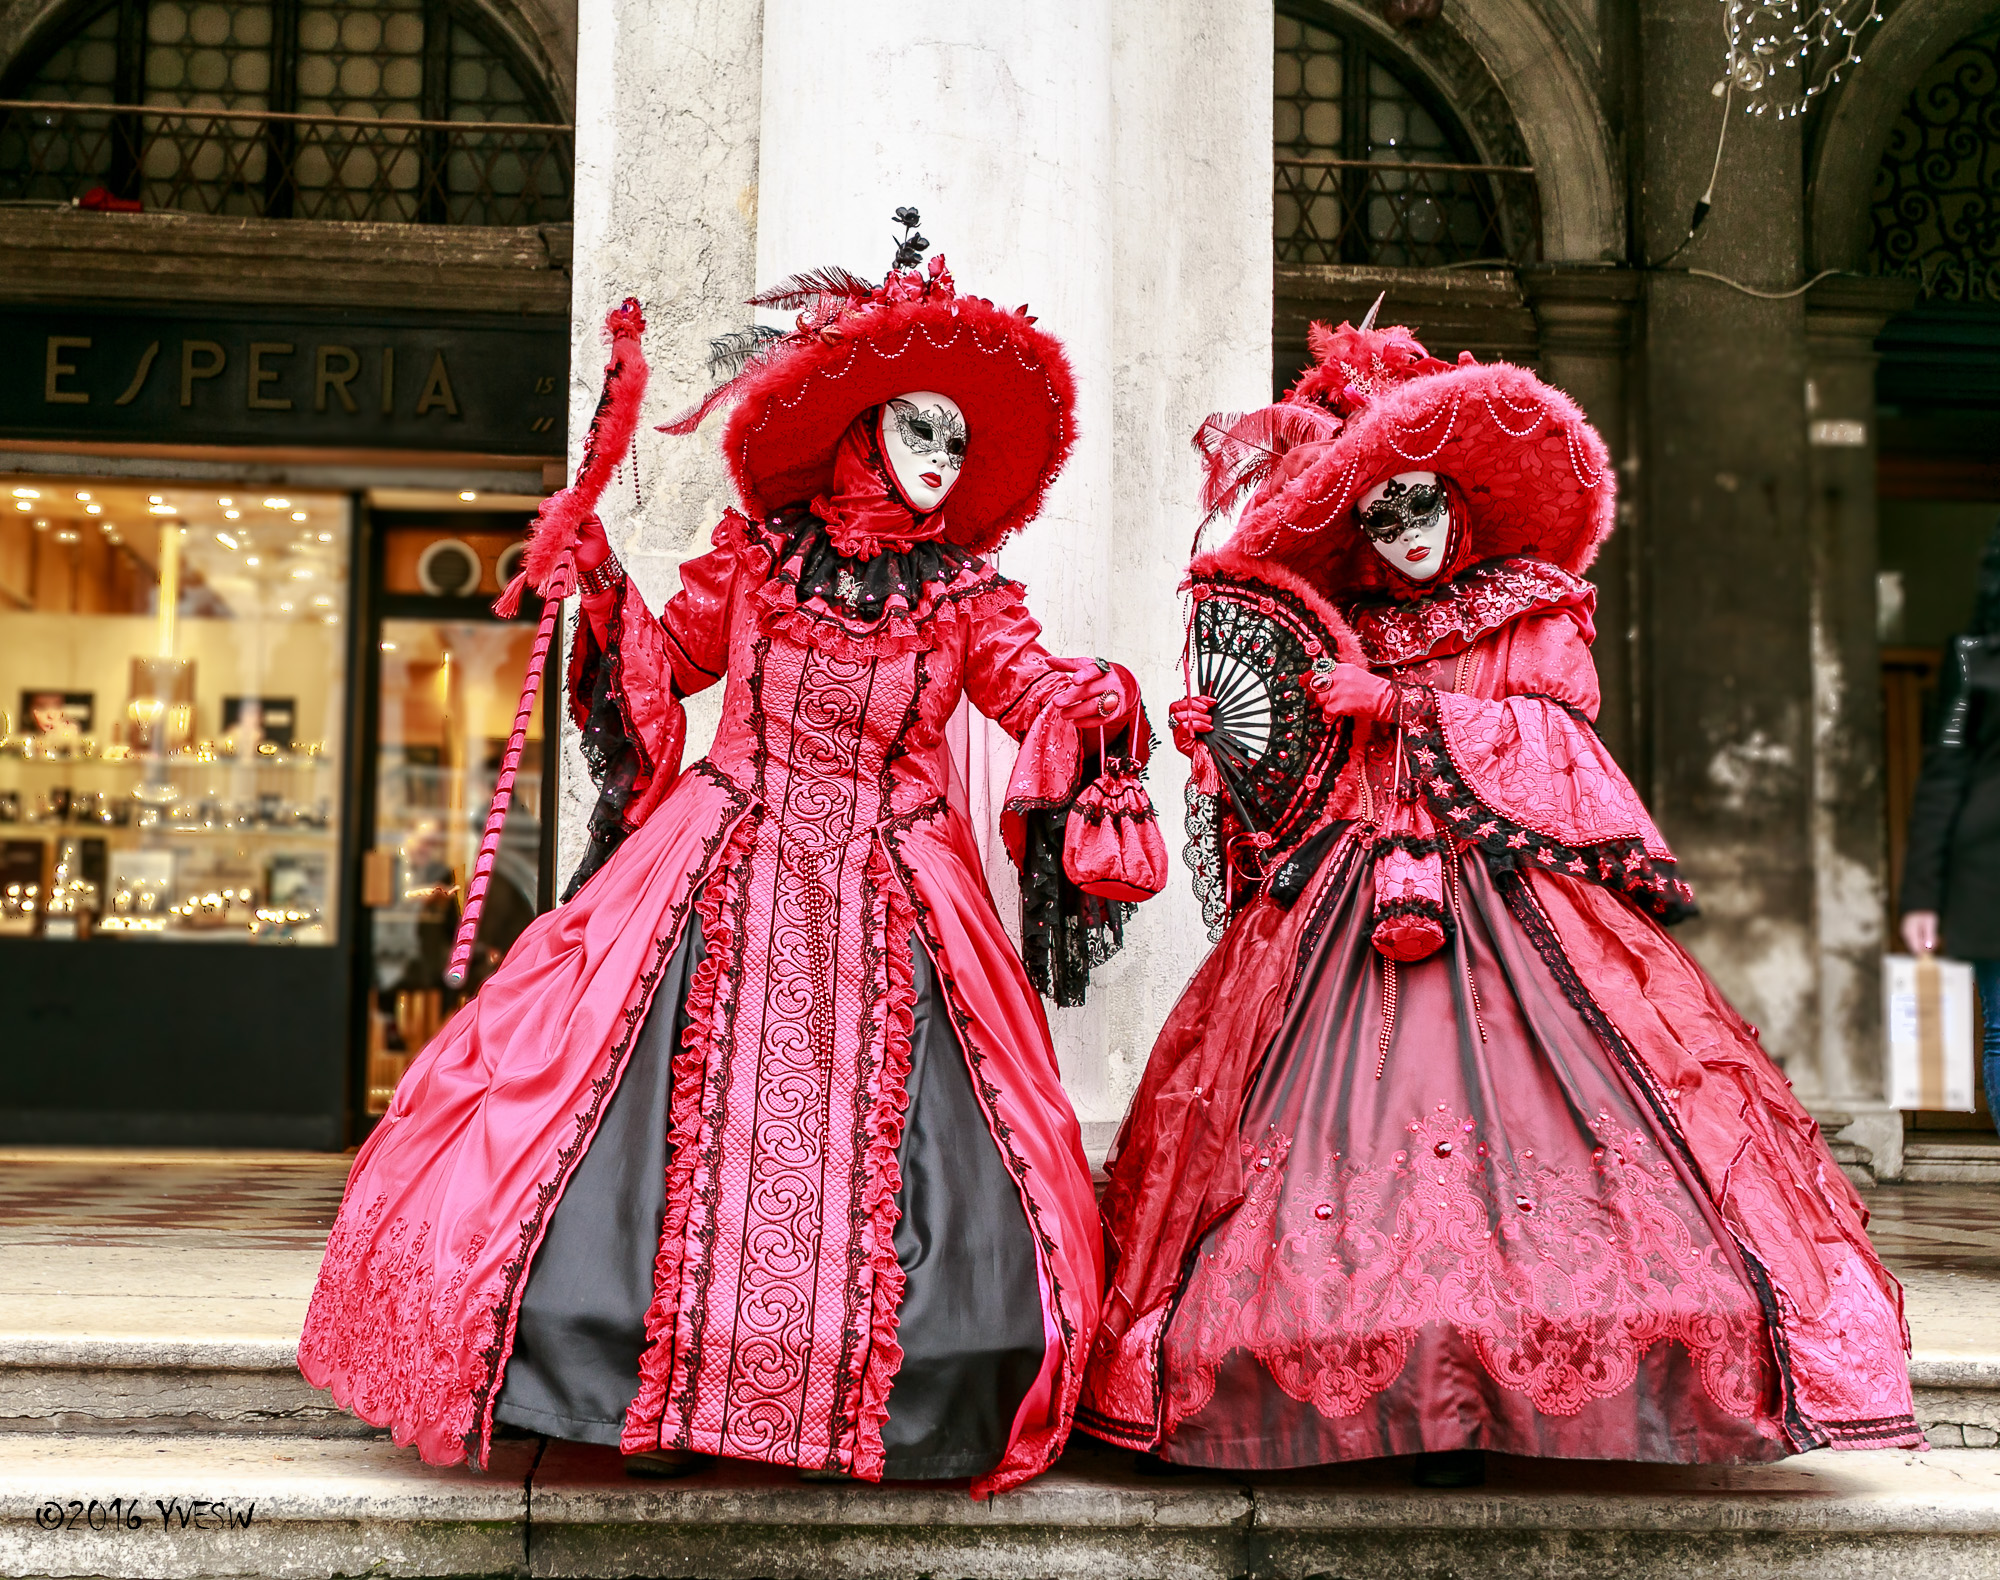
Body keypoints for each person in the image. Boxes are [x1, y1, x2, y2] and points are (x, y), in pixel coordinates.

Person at [300, 227, 1149, 1496]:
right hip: (722, 859)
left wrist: (1089, 700)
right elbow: (664, 672)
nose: (937, 461)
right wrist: (596, 575)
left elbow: (1025, 692)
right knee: (591, 1094)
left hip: (895, 890)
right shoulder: (752, 563)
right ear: (861, 429)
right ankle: (641, 1371)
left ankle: (873, 1382)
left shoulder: (966, 597)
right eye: (917, 430)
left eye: (956, 444)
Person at [1078, 315, 1923, 1485]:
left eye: (1417, 505)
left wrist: (1408, 710)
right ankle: (1368, 1388)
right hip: (1345, 911)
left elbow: (1552, 739)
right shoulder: (1345, 632)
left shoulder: (1533, 609)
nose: (1405, 533)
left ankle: (1528, 1387)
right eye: (1378, 517)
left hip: (1511, 909)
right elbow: (1293, 802)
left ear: (1455, 501)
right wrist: (1228, 752)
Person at [1900, 517, 2000, 1126]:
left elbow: (1946, 769)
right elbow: (1946, 767)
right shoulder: (1970, 658)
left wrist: (1921, 896)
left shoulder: (1972, 658)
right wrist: (1921, 896)